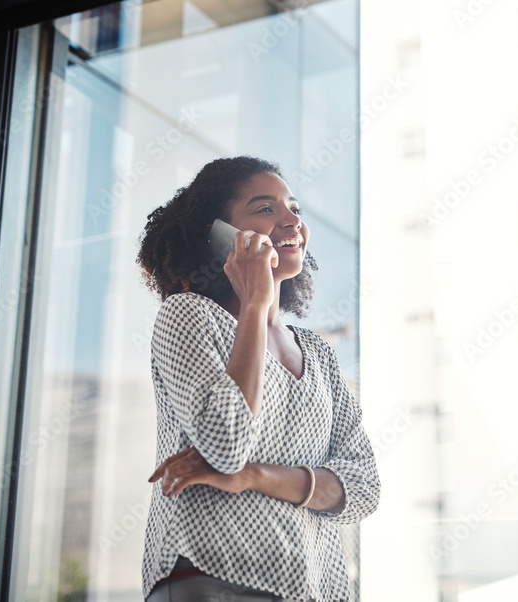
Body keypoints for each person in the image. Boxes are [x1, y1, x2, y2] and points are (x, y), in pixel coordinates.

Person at [135, 156, 380, 601]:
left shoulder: (319, 355)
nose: (291, 221)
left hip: (312, 589)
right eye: (266, 209)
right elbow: (225, 445)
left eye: (295, 209)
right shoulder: (188, 316)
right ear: (218, 237)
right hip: (211, 578)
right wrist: (253, 305)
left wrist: (253, 477)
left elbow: (363, 490)